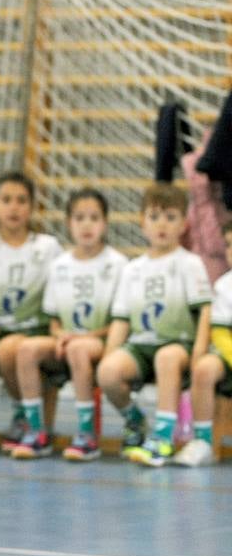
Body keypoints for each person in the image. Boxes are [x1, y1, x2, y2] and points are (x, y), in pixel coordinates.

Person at [97, 182, 213, 467]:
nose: (162, 224)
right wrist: (109, 353)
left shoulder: (190, 263)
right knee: (109, 372)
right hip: (140, 346)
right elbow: (121, 319)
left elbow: (205, 310)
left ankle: (163, 439)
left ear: (184, 224)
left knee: (166, 356)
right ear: (142, 222)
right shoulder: (132, 269)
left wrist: (199, 350)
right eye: (154, 216)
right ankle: (134, 420)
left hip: (178, 346)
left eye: (171, 217)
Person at [9, 188, 126, 460]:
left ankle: (87, 435)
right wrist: (61, 334)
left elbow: (120, 323)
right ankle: (37, 430)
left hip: (100, 342)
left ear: (105, 223)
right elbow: (54, 320)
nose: (87, 224)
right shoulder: (60, 265)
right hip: (67, 340)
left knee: (79, 350)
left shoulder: (118, 264)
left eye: (94, 218)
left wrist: (80, 338)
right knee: (27, 349)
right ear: (69, 223)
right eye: (79, 217)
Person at [0, 171, 63, 451]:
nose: (14, 207)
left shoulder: (48, 247)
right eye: (6, 200)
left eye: (21, 200)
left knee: (9, 349)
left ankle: (25, 415)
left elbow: (61, 299)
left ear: (32, 207)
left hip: (33, 333)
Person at [174, 218, 232, 466]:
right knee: (204, 368)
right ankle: (203, 442)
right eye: (229, 245)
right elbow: (219, 332)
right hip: (229, 355)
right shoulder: (224, 285)